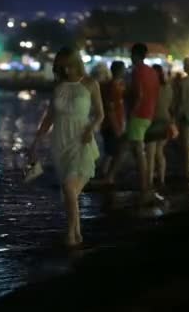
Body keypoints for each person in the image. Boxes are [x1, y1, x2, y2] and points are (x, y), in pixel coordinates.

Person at [30, 47, 104, 247]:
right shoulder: (59, 87)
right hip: (60, 141)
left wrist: (92, 128)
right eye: (62, 66)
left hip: (81, 139)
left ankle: (70, 235)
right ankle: (77, 233)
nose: (65, 70)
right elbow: (49, 117)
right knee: (70, 191)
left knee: (69, 188)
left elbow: (100, 114)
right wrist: (36, 142)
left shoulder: (90, 84)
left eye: (68, 65)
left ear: (75, 63)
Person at [105, 43, 160, 201]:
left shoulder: (137, 72)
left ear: (136, 55)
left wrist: (132, 113)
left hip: (139, 115)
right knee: (125, 146)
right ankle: (111, 176)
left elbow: (139, 95)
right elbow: (155, 93)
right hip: (149, 114)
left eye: (131, 54)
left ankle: (144, 185)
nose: (130, 57)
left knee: (137, 149)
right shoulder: (152, 72)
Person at [145, 65, 175, 188]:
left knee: (150, 154)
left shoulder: (150, 88)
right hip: (165, 120)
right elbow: (171, 105)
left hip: (153, 121)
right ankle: (162, 179)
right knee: (160, 152)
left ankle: (149, 181)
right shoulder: (168, 88)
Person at [100, 61, 126, 175]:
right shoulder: (112, 87)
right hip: (111, 125)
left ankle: (104, 174)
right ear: (119, 71)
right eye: (123, 69)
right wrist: (117, 128)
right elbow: (110, 109)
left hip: (111, 124)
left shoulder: (116, 85)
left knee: (111, 152)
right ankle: (104, 175)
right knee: (112, 152)